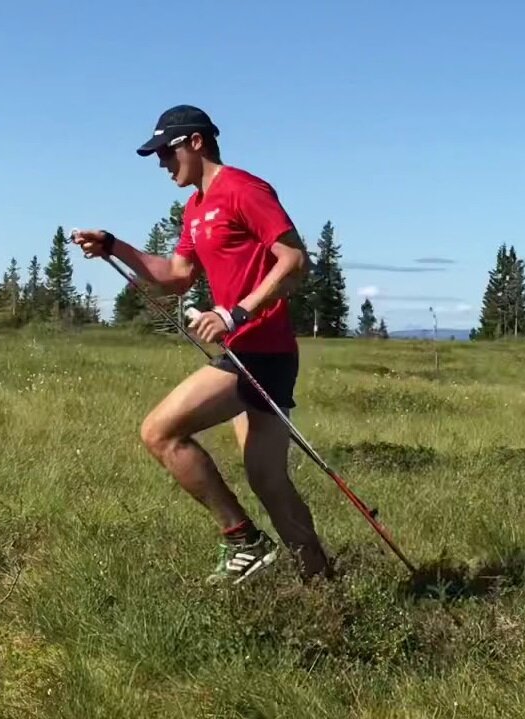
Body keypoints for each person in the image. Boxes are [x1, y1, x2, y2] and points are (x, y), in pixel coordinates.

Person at [72, 105, 331, 584]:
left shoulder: (242, 189)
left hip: (262, 348)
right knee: (268, 480)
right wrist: (114, 246)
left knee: (159, 432)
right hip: (244, 350)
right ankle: (320, 583)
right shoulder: (195, 207)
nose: (162, 164)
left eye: (166, 153)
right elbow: (175, 276)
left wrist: (236, 312)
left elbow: (294, 259)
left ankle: (243, 541)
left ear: (195, 142)